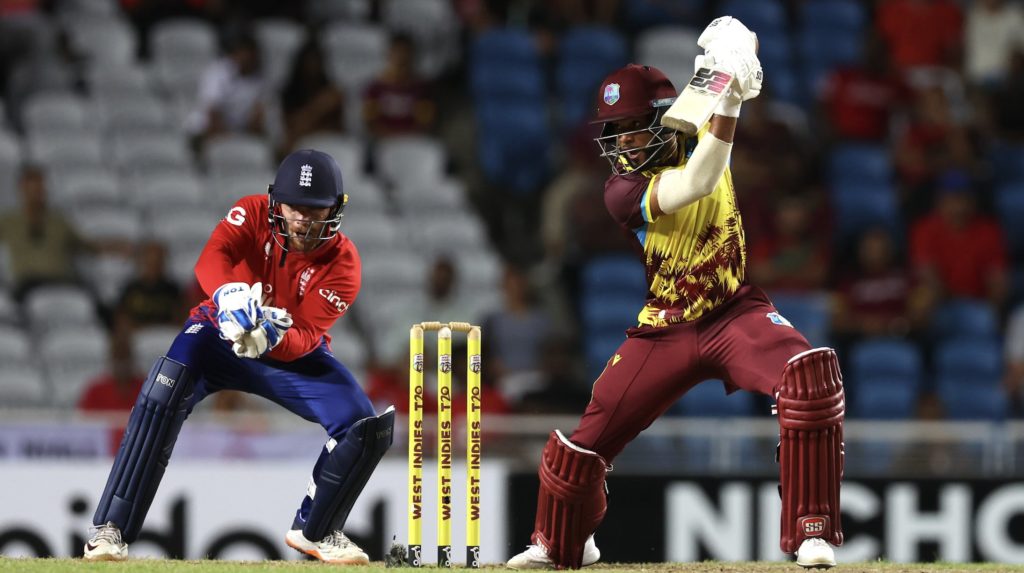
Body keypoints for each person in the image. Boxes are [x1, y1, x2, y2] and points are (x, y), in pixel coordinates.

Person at [506, 17, 844, 570]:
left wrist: (732, 52)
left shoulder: (697, 123)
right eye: (613, 135)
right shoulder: (622, 190)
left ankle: (812, 531)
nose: (621, 147)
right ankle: (559, 543)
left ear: (664, 120)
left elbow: (736, 40)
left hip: (736, 313)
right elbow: (700, 181)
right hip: (665, 326)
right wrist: (731, 101)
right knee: (583, 445)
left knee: (809, 376)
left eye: (632, 131)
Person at [83, 149, 394, 564]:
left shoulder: (344, 263)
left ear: (335, 209)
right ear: (275, 202)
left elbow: (305, 335)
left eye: (315, 210)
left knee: (362, 425)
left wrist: (270, 339)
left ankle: (316, 531)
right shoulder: (250, 212)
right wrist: (228, 294)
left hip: (286, 351)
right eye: (295, 207)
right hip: (217, 332)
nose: (303, 219)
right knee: (164, 387)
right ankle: (110, 530)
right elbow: (213, 257)